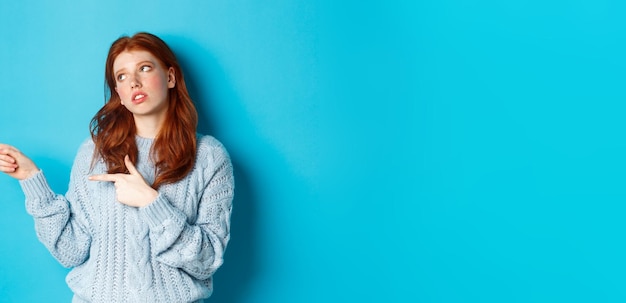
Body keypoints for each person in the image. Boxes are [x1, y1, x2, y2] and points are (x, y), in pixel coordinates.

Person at [0, 32, 234, 303]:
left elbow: (205, 261)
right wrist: (31, 180)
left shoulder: (209, 157)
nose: (133, 82)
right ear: (119, 95)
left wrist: (151, 203)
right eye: (121, 77)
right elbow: (71, 251)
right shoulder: (95, 152)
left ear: (170, 77)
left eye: (144, 69)